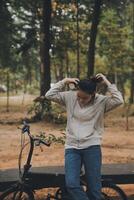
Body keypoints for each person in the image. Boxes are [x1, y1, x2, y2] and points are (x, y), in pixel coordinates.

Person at [45, 73, 124, 200]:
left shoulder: (101, 102)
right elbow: (49, 95)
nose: (80, 100)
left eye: (85, 98)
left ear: (93, 95)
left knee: (94, 188)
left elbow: (119, 100)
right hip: (72, 147)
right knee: (71, 184)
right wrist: (65, 81)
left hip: (92, 147)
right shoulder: (69, 97)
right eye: (79, 96)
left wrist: (107, 82)